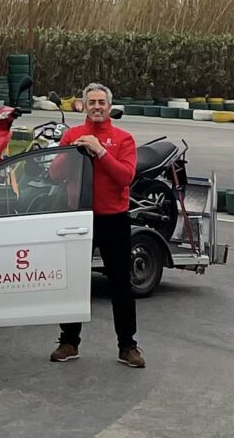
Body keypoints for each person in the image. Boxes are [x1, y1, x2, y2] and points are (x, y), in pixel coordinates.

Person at [50, 82, 144, 368]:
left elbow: (125, 177)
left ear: (109, 106)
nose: (97, 107)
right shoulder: (73, 135)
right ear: (84, 106)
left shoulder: (123, 139)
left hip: (113, 217)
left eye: (102, 102)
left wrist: (100, 151)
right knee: (74, 282)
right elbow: (54, 175)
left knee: (120, 283)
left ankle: (127, 345)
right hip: (78, 217)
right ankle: (68, 341)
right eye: (92, 102)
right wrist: (73, 153)